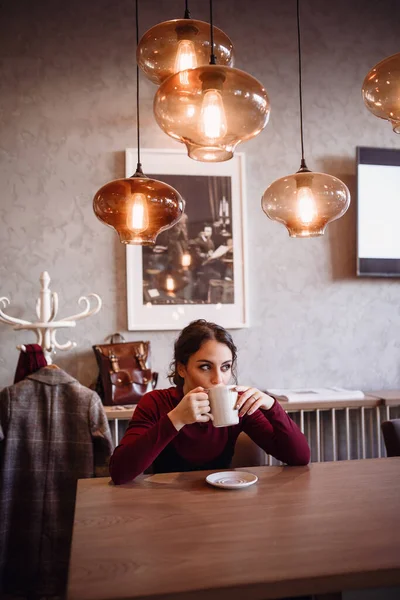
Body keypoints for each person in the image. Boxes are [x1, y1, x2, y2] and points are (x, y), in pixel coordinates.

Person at [109, 320, 310, 484]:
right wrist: (176, 418)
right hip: (167, 509)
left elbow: (300, 457)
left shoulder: (237, 405)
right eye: (205, 367)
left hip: (223, 504)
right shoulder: (156, 402)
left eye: (225, 367)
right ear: (182, 369)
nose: (218, 379)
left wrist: (272, 406)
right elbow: (119, 472)